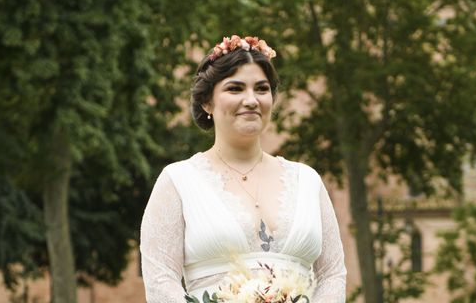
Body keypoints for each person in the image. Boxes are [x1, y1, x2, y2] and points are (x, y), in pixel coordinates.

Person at [140, 35, 347, 302]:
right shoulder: (178, 181)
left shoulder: (307, 180)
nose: (251, 100)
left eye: (261, 89)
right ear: (207, 102)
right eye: (235, 89)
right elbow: (160, 278)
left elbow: (332, 273)